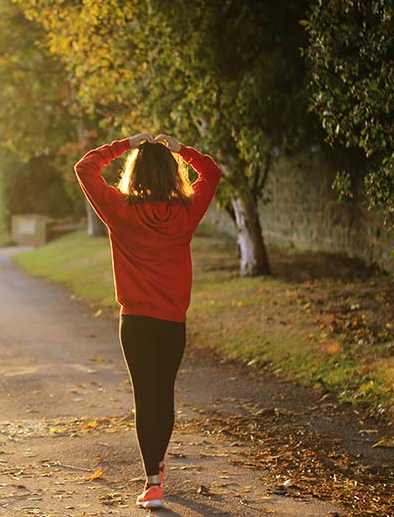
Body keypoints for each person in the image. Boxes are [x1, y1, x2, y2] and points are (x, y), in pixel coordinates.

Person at [74, 132, 223, 510]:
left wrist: (125, 144)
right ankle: (157, 468)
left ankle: (153, 482)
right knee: (164, 394)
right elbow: (212, 172)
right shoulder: (186, 212)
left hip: (136, 322)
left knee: (146, 397)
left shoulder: (120, 210)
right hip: (172, 321)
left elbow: (85, 167)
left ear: (135, 173)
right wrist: (181, 150)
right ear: (173, 175)